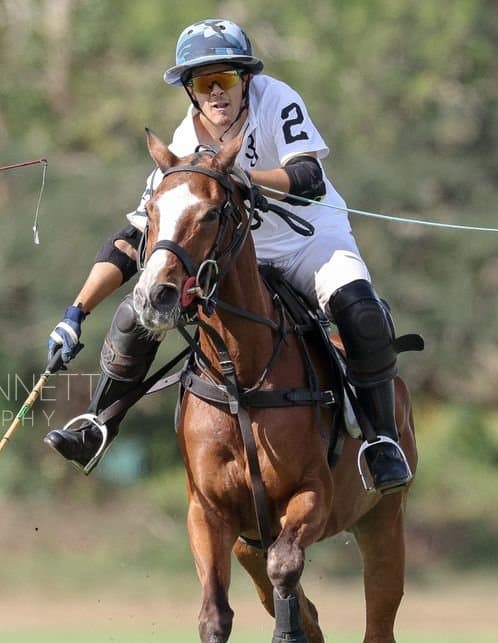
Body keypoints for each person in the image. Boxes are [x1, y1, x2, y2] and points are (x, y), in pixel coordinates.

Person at [43, 18, 412, 494]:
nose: (217, 93)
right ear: (191, 91)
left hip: (308, 240)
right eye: (203, 82)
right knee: (139, 313)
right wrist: (77, 312)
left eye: (227, 79)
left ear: (247, 80)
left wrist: (245, 181)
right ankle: (100, 425)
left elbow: (308, 177)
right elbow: (133, 238)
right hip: (235, 256)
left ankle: (381, 441)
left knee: (361, 314)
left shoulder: (275, 100)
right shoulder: (181, 148)